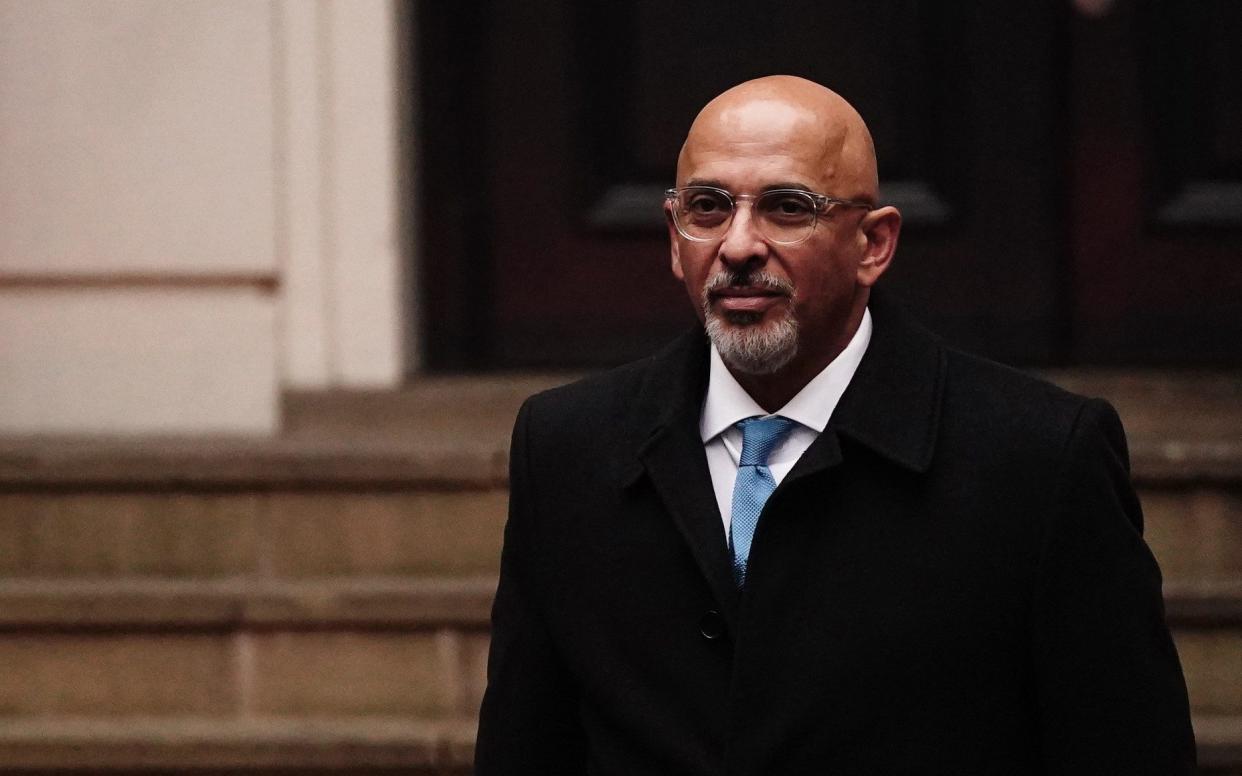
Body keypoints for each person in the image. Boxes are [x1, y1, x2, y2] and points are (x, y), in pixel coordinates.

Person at [474, 75, 1195, 775]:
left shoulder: (1037, 459)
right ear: (673, 237)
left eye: (787, 207)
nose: (738, 245)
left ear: (873, 245)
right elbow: (525, 745)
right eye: (708, 208)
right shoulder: (567, 446)